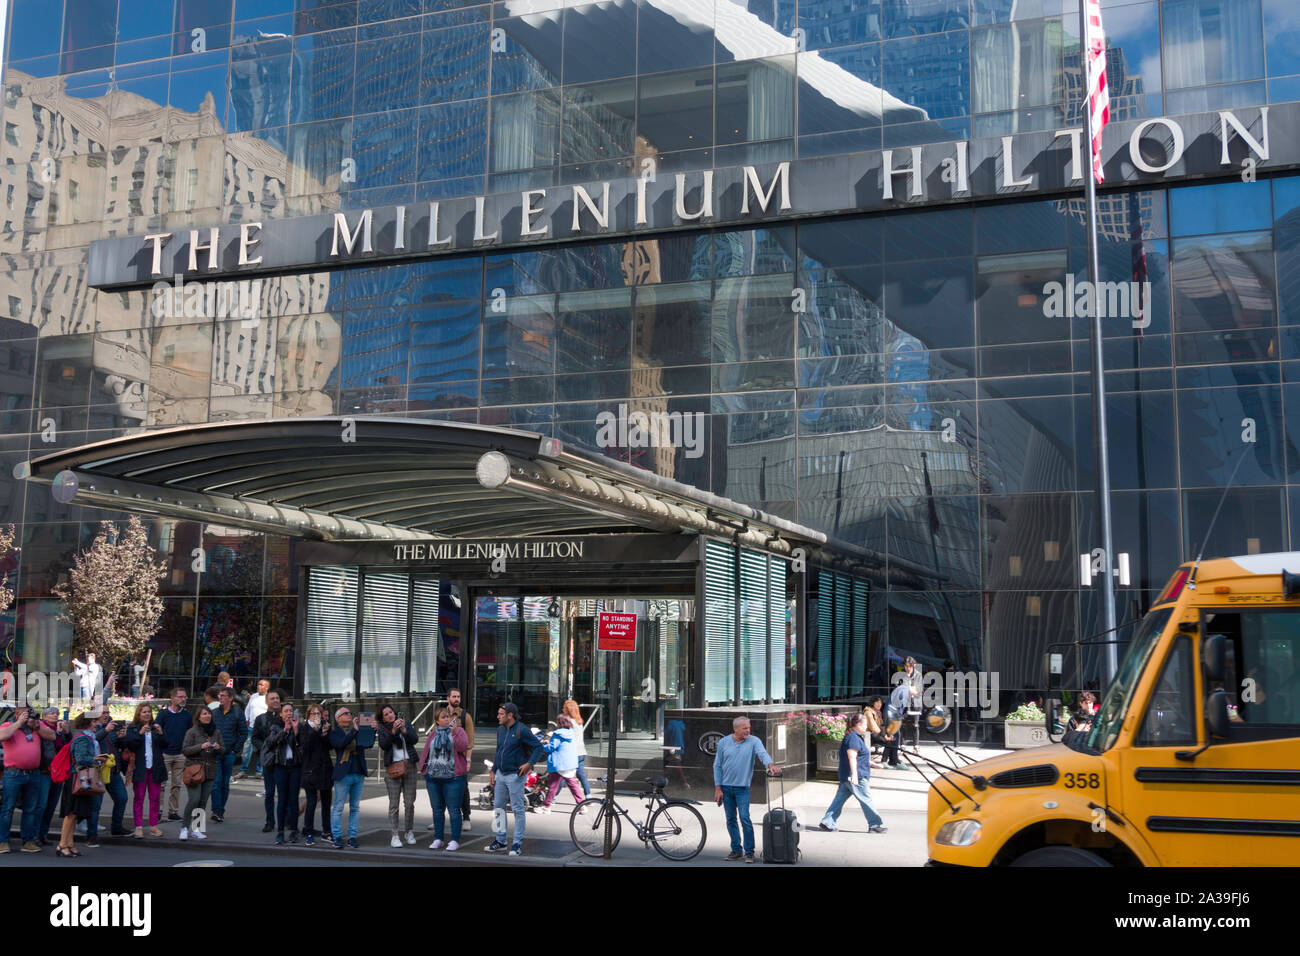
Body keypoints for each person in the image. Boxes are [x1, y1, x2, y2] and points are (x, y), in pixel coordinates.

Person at [712, 716, 780, 863]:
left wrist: (770, 765)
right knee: (730, 820)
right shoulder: (724, 742)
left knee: (745, 818)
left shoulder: (754, 741)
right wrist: (718, 788)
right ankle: (736, 850)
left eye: (749, 728)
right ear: (735, 729)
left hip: (742, 788)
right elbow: (717, 765)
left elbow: (763, 754)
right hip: (726, 787)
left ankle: (749, 852)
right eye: (745, 728)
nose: (748, 730)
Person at [484, 702, 544, 856]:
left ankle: (517, 843)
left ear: (510, 715)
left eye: (501, 714)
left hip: (515, 775)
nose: (497, 716)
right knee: (498, 807)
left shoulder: (521, 730)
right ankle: (501, 840)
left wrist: (529, 764)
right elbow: (499, 751)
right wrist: (493, 770)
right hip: (501, 774)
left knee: (517, 809)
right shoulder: (500, 730)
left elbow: (538, 747)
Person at [817, 712, 888, 834]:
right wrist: (855, 776)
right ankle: (874, 824)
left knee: (839, 800)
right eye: (865, 724)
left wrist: (872, 764)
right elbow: (852, 757)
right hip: (856, 776)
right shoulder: (854, 738)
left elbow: (858, 756)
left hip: (847, 776)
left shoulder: (852, 737)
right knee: (866, 799)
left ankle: (827, 822)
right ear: (858, 725)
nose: (866, 727)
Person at [0, 704, 55, 853]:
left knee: (31, 809)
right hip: (13, 774)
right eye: (25, 713)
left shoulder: (36, 726)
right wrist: (19, 723)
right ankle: (3, 841)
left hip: (34, 774)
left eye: (29, 713)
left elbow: (52, 736)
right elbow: (2, 736)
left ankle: (28, 841)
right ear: (17, 713)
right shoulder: (8, 724)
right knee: (7, 809)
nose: (28, 716)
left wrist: (36, 726)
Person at [420, 705, 468, 851]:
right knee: (437, 809)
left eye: (448, 716)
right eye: (443, 717)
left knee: (454, 809)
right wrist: (424, 770)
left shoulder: (459, 731)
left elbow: (463, 747)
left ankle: (454, 840)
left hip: (453, 777)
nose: (447, 719)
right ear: (437, 721)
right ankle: (438, 839)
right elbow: (426, 752)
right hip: (434, 777)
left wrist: (453, 733)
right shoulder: (433, 734)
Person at [56, 714, 102, 857]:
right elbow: (81, 759)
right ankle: (62, 844)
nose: (97, 724)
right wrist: (96, 759)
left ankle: (69, 843)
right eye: (94, 721)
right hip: (76, 778)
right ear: (87, 723)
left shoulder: (87, 738)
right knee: (70, 813)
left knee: (74, 813)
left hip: (77, 778)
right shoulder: (83, 738)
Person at [329, 706, 373, 849]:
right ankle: (336, 836)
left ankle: (352, 836)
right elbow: (341, 744)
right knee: (338, 807)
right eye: (345, 713)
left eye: (350, 713)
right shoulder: (335, 733)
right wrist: (355, 730)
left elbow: (369, 744)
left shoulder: (358, 730)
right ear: (338, 718)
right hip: (343, 775)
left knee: (355, 807)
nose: (349, 715)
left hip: (358, 773)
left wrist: (372, 730)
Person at [179, 705, 224, 840]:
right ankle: (184, 828)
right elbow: (185, 750)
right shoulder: (192, 732)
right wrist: (200, 746)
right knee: (194, 799)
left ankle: (196, 828)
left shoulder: (216, 732)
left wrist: (217, 747)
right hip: (194, 769)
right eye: (204, 714)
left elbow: (223, 750)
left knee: (203, 801)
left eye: (209, 714)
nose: (207, 716)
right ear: (198, 717)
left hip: (210, 770)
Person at [377, 703, 419, 848]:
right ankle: (395, 835)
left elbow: (414, 740)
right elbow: (384, 745)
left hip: (409, 765)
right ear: (383, 718)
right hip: (393, 767)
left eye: (391, 712)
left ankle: (409, 831)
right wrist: (394, 731)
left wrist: (404, 730)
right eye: (386, 714)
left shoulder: (406, 723)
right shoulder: (382, 729)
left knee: (409, 802)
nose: (390, 715)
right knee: (394, 804)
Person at [124, 703, 167, 838]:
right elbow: (130, 745)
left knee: (155, 798)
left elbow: (166, 745)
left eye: (149, 712)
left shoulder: (155, 728)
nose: (147, 714)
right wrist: (140, 734)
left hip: (155, 768)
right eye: (144, 712)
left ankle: (154, 826)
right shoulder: (133, 728)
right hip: (140, 768)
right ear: (139, 714)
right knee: (139, 798)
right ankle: (138, 827)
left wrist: (161, 734)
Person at [89, 706, 130, 842]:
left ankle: (116, 828)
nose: (106, 715)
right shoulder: (92, 726)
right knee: (96, 805)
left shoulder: (111, 725)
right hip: (98, 772)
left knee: (122, 798)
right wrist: (105, 730)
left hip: (113, 770)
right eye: (103, 713)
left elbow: (118, 745)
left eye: (107, 712)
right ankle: (92, 834)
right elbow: (92, 740)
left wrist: (122, 737)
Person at [263, 702, 301, 845]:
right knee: (282, 800)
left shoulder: (298, 727)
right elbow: (271, 743)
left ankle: (293, 830)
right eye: (286, 711)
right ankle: (280, 832)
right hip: (281, 767)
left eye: (291, 711)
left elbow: (301, 744)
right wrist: (284, 730)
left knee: (293, 800)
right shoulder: (275, 728)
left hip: (295, 766)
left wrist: (295, 731)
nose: (289, 713)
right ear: (281, 714)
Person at [154, 686, 192, 822]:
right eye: (181, 697)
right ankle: (157, 810)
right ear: (173, 698)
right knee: (161, 784)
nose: (183, 699)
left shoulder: (187, 715)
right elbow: (156, 731)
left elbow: (190, 733)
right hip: (165, 753)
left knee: (177, 785)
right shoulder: (163, 714)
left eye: (184, 697)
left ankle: (173, 811)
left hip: (180, 754)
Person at [35, 707, 71, 845]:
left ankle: (43, 834)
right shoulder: (42, 728)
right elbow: (53, 742)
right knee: (41, 805)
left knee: (51, 805)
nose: (55, 715)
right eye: (52, 713)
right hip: (45, 771)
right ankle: (35, 835)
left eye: (57, 713)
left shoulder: (60, 729)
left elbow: (68, 745)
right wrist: (58, 732)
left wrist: (66, 732)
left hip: (58, 771)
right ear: (44, 717)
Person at [298, 704, 333, 846]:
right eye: (314, 713)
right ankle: (309, 831)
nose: (317, 716)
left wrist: (325, 734)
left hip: (325, 769)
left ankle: (327, 831)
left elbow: (330, 746)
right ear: (308, 715)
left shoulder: (325, 726)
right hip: (310, 770)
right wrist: (316, 730)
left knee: (326, 802)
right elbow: (305, 746)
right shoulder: (304, 728)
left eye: (319, 713)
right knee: (311, 802)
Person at [209, 687, 245, 823]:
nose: (220, 698)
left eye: (223, 696)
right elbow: (208, 731)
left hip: (229, 753)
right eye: (219, 695)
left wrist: (235, 750)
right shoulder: (213, 713)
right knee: (216, 783)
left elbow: (243, 733)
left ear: (230, 698)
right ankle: (216, 810)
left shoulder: (237, 713)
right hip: (215, 753)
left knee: (225, 783)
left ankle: (220, 811)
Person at [251, 689, 283, 832]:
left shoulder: (286, 717)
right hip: (269, 761)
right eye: (272, 699)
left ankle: (285, 821)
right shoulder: (260, 719)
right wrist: (264, 748)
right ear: (266, 701)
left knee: (284, 793)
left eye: (277, 698)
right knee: (269, 793)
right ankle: (270, 821)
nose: (275, 700)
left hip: (284, 761)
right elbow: (255, 738)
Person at [538, 714, 584, 812]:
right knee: (574, 786)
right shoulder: (571, 732)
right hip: (570, 764)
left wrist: (541, 746)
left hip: (559, 764)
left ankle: (546, 807)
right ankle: (582, 806)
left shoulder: (558, 734)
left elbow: (551, 747)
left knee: (552, 787)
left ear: (559, 723)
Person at [238, 679, 270, 779]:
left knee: (262, 749)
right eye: (258, 684)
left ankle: (259, 771)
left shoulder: (269, 698)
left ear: (267, 687)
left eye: (261, 685)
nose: (258, 686)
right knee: (247, 750)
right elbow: (247, 709)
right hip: (251, 727)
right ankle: (243, 770)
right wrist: (246, 719)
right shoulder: (253, 697)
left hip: (264, 729)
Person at [560, 699, 590, 797]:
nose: (562, 709)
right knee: (581, 775)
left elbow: (563, 736)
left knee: (562, 775)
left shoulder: (569, 722)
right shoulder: (579, 721)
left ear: (568, 710)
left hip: (572, 753)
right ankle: (588, 795)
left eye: (564, 708)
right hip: (581, 752)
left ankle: (552, 799)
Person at [866, 696, 900, 768]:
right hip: (870, 734)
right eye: (877, 702)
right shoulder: (868, 712)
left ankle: (892, 760)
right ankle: (884, 761)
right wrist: (884, 736)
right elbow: (873, 727)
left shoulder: (878, 712)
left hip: (876, 734)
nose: (879, 704)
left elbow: (882, 726)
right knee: (889, 742)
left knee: (892, 739)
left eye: (880, 703)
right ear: (873, 703)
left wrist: (886, 734)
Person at [899, 656, 923, 749]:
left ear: (913, 666)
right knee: (903, 724)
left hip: (915, 703)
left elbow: (918, 690)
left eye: (909, 666)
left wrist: (908, 689)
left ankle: (916, 745)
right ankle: (902, 744)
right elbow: (899, 689)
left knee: (915, 725)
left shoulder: (918, 675)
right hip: (904, 703)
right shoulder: (902, 675)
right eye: (906, 666)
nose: (907, 668)